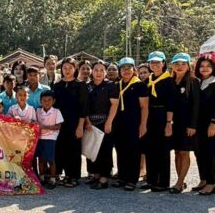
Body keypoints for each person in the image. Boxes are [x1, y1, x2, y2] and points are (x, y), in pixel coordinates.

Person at [112, 58, 149, 191]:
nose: (126, 71)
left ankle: (132, 179)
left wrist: (143, 124)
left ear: (134, 70)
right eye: (123, 68)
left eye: (129, 68)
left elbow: (144, 107)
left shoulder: (139, 85)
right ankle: (122, 177)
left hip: (134, 123)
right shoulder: (117, 85)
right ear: (120, 71)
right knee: (121, 150)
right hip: (119, 123)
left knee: (133, 151)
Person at [142, 51, 176, 192]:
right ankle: (151, 180)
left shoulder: (169, 81)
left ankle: (163, 182)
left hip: (162, 116)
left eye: (158, 62)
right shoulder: (148, 81)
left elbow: (171, 104)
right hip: (149, 116)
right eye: (152, 62)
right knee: (150, 149)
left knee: (162, 150)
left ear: (163, 63)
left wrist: (168, 123)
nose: (155, 64)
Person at [52, 58, 88, 187]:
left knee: (74, 149)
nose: (67, 70)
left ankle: (73, 176)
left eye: (70, 68)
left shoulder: (80, 85)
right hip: (59, 123)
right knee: (60, 148)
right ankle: (62, 174)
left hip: (75, 122)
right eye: (65, 68)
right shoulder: (57, 85)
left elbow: (83, 107)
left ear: (75, 69)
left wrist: (80, 126)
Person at [84, 61, 119, 190]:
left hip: (105, 122)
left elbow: (114, 105)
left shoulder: (111, 86)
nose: (98, 73)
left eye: (101, 70)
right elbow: (84, 106)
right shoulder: (87, 86)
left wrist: (109, 122)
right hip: (90, 123)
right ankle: (96, 175)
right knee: (92, 149)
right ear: (92, 71)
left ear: (105, 72)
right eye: (96, 70)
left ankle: (104, 178)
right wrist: (87, 121)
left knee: (105, 150)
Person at [169, 53, 200, 194]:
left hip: (186, 124)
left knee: (184, 152)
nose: (179, 66)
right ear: (172, 66)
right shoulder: (170, 81)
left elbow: (196, 105)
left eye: (183, 64)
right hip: (173, 123)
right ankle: (180, 181)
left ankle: (180, 181)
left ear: (188, 66)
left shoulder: (193, 81)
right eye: (177, 64)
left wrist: (192, 125)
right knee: (177, 152)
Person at [193, 56, 215, 196]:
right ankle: (203, 179)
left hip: (210, 123)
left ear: (213, 68)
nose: (205, 68)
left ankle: (211, 183)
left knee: (210, 152)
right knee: (199, 151)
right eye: (202, 66)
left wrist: (214, 122)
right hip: (198, 123)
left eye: (208, 66)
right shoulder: (197, 82)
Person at [35, 90, 63, 188]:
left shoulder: (56, 111)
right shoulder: (37, 111)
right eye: (44, 100)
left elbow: (58, 126)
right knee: (41, 159)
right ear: (40, 101)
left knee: (50, 159)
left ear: (53, 101)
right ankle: (42, 178)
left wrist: (44, 127)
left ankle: (53, 180)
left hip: (51, 138)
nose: (47, 102)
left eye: (49, 100)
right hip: (39, 137)